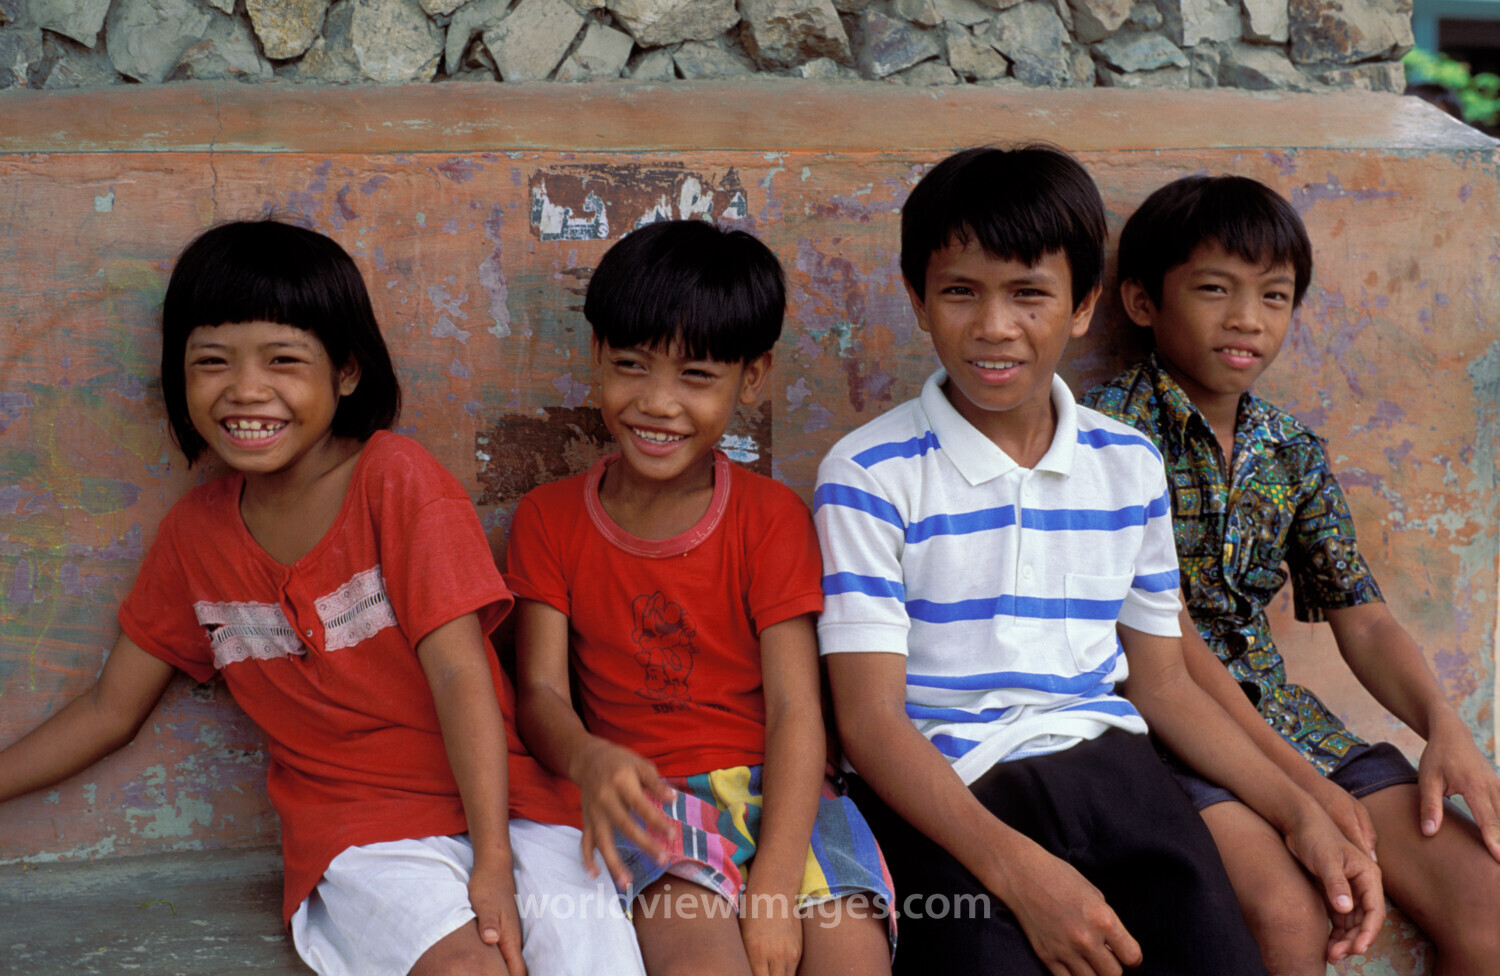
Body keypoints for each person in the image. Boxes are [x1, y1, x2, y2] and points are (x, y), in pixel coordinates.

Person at [0, 219, 645, 976]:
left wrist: (494, 859)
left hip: (513, 810)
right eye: (212, 362)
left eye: (282, 360)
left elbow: (460, 675)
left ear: (345, 372)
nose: (245, 390)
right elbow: (111, 709)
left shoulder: (395, 483)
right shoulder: (193, 540)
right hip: (364, 833)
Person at [813, 146, 1385, 976]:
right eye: (960, 292)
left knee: (1218, 954)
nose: (995, 327)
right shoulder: (868, 474)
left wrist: (1299, 809)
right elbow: (870, 723)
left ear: (1082, 306)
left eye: (1030, 294)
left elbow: (1163, 683)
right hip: (947, 789)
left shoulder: (1125, 463)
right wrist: (1017, 871)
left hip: (1116, 775)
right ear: (918, 300)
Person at [1081, 174, 1500, 976]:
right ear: (1141, 302)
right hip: (1163, 739)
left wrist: (1444, 725)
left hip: (1289, 723)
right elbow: (1156, 650)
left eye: (1274, 297)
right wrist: (1297, 791)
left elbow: (1363, 616)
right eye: (1215, 290)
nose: (1248, 319)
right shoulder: (1102, 436)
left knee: (1487, 906)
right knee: (1293, 916)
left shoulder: (1289, 449)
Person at [506, 219, 895, 976]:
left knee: (850, 959)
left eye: (696, 377)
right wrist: (588, 761)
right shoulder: (547, 522)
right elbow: (540, 692)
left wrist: (777, 884)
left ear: (753, 378)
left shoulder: (770, 519)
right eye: (631, 366)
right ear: (596, 358)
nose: (657, 403)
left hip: (789, 794)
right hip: (649, 803)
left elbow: (793, 711)